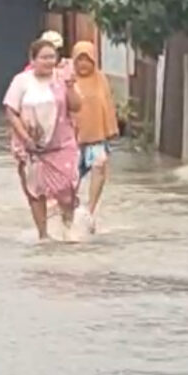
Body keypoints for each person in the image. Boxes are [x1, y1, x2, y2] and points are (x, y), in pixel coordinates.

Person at [3, 38, 83, 240]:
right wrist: (25, 138)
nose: (48, 61)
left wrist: (71, 87)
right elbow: (11, 112)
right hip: (31, 147)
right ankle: (43, 235)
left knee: (68, 189)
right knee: (35, 191)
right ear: (33, 59)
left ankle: (68, 227)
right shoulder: (22, 81)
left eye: (52, 57)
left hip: (62, 144)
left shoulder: (62, 78)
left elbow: (76, 106)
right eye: (43, 57)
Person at [71, 41, 119, 232]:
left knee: (99, 167)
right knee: (70, 180)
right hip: (72, 141)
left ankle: (90, 211)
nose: (83, 64)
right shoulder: (67, 80)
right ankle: (69, 211)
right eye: (79, 59)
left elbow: (107, 107)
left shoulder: (101, 80)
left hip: (97, 138)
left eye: (87, 60)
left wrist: (111, 131)